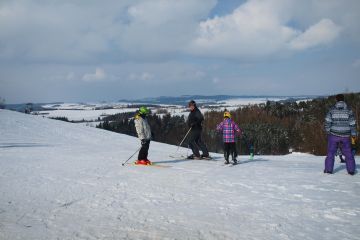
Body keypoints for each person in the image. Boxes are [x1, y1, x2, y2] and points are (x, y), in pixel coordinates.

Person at [324, 94, 357, 175]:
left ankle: (328, 170)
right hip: (346, 135)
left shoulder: (332, 110)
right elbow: (352, 124)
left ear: (336, 100)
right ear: (343, 100)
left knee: (331, 152)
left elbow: (327, 121)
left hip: (333, 134)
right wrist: (353, 134)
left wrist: (328, 131)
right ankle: (351, 170)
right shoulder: (349, 110)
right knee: (348, 153)